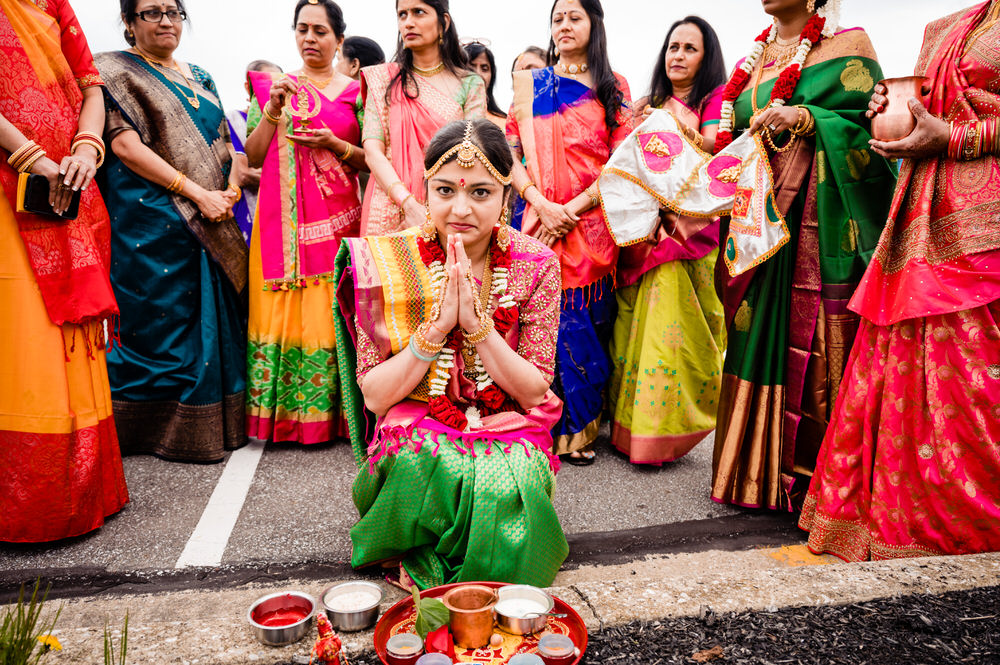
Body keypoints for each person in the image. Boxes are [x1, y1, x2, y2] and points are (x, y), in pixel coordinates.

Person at [800, 1, 1000, 560]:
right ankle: (891, 521)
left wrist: (960, 139)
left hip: (989, 228)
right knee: (908, 365)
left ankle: (963, 527)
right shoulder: (947, 26)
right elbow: (929, 115)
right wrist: (889, 111)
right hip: (922, 217)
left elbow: (956, 129)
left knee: (974, 374)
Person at [336, 119, 568, 589]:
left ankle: (483, 571)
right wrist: (439, 327)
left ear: (507, 198)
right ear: (425, 192)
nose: (460, 208)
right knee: (420, 456)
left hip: (507, 415)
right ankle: (426, 554)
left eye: (480, 193)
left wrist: (478, 327)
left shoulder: (537, 263)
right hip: (417, 412)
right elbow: (377, 399)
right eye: (445, 190)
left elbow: (532, 389)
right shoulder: (387, 262)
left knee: (514, 474)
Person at [708, 0, 896, 509]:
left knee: (806, 334)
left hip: (813, 226)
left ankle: (811, 475)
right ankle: (749, 472)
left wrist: (809, 118)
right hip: (753, 226)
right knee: (750, 328)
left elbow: (873, 136)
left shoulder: (849, 48)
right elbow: (735, 138)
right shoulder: (755, 57)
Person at [97, 0, 249, 462]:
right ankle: (146, 431)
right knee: (155, 324)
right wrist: (196, 193)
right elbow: (123, 144)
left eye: (173, 11)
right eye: (152, 12)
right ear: (128, 21)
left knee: (206, 324)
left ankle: (209, 425)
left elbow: (226, 142)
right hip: (149, 219)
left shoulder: (200, 76)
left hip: (212, 215)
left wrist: (231, 188)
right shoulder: (113, 71)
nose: (166, 21)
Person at [0, 0, 128, 542]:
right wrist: (29, 154)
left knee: (65, 337)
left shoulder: (50, 4)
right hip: (13, 186)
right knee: (22, 331)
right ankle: (29, 501)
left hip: (64, 184)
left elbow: (90, 86)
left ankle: (81, 488)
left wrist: (85, 144)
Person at [507, 0, 632, 464]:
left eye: (574, 17)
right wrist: (541, 205)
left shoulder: (611, 85)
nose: (564, 25)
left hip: (591, 227)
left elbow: (623, 164)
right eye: (558, 18)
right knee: (538, 324)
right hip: (538, 220)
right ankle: (537, 423)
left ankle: (579, 428)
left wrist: (571, 209)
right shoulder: (531, 85)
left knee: (586, 326)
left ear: (593, 24)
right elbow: (512, 154)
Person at [243, 0, 366, 446]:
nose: (309, 38)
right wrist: (274, 110)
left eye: (320, 31)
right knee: (285, 317)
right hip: (282, 229)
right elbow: (252, 157)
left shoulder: (357, 92)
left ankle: (333, 421)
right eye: (302, 29)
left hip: (339, 223)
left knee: (329, 315)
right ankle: (284, 421)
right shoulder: (274, 88)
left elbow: (370, 159)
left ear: (338, 38)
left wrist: (335, 143)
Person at [608, 16, 727, 466]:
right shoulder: (648, 103)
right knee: (634, 327)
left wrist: (662, 128)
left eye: (689, 48)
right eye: (672, 47)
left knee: (677, 331)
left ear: (706, 57)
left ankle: (664, 432)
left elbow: (717, 145)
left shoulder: (716, 98)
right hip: (645, 230)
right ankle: (629, 431)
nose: (676, 56)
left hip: (691, 230)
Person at [360, 0, 486, 236]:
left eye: (418, 12)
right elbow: (373, 151)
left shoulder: (469, 84)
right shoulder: (384, 80)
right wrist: (407, 203)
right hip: (389, 205)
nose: (408, 22)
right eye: (402, 14)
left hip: (448, 207)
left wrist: (435, 205)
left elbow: (474, 152)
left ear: (443, 22)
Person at [229, 59, 283, 245]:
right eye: (264, 82)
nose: (270, 88)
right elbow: (242, 174)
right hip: (249, 216)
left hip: (284, 220)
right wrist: (287, 179)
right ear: (248, 86)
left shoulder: (287, 123)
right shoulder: (233, 119)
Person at [464, 41, 506, 129]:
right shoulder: (448, 113)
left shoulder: (504, 123)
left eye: (484, 68)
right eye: (470, 68)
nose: (477, 73)